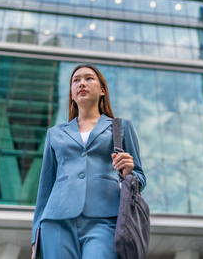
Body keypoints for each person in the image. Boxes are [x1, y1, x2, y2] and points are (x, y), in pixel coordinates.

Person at [31, 63, 146, 259]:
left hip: (105, 219)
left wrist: (129, 172)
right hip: (57, 220)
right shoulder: (55, 133)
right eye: (76, 80)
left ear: (102, 91)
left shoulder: (121, 127)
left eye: (88, 78)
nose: (81, 83)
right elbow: (45, 188)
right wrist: (35, 236)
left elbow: (140, 178)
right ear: (72, 94)